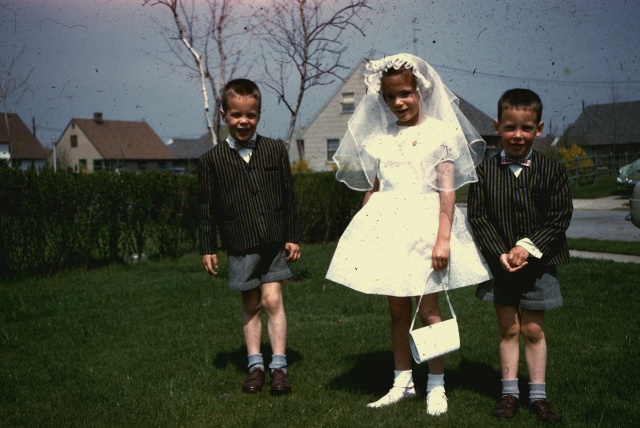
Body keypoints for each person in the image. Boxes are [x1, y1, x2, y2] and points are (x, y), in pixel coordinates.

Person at [325, 53, 492, 416]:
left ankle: (436, 384)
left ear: (421, 91)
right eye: (390, 97)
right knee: (398, 308)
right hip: (390, 229)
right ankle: (402, 382)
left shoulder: (440, 133)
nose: (398, 102)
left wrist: (443, 239)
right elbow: (375, 189)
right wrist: (364, 233)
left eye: (405, 93)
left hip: (425, 228)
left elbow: (447, 192)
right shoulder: (382, 138)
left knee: (427, 308)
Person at [467, 88, 572, 423]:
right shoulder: (483, 172)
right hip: (501, 267)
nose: (517, 135)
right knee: (508, 329)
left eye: (526, 128)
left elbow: (559, 216)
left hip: (539, 266)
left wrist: (527, 248)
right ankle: (509, 393)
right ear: (497, 126)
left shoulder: (551, 170)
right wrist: (500, 253)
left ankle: (538, 396)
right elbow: (478, 218)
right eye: (510, 127)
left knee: (532, 330)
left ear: (538, 129)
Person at [198, 78, 301, 396]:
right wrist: (207, 246)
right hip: (240, 242)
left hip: (273, 240)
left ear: (259, 115)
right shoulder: (211, 160)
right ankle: (255, 366)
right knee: (252, 303)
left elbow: (287, 196)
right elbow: (206, 207)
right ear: (223, 115)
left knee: (273, 300)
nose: (244, 121)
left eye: (251, 115)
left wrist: (292, 235)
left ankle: (279, 367)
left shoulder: (275, 150)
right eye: (236, 115)